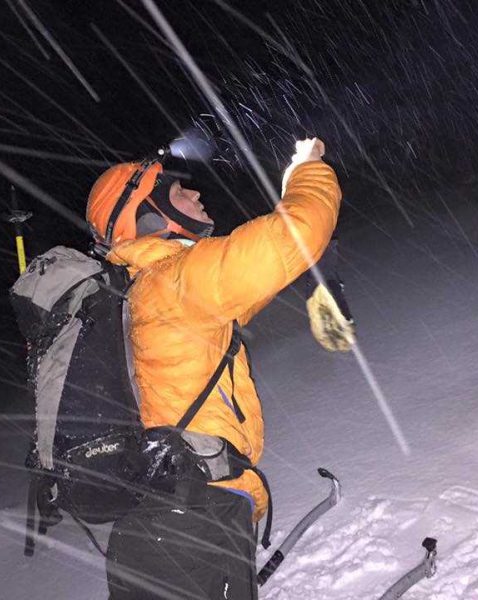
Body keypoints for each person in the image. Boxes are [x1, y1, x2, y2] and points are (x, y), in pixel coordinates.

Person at [85, 138, 341, 599]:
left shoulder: (153, 290)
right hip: (190, 520)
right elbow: (298, 231)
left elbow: (241, 291)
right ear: (148, 215)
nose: (197, 196)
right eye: (180, 192)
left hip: (179, 520)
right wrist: (308, 169)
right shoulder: (173, 282)